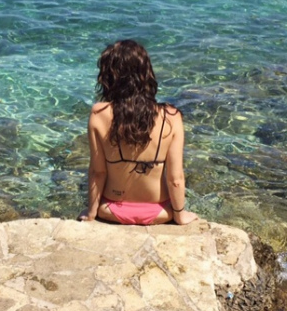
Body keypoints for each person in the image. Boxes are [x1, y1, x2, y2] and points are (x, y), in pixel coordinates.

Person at [79, 40, 199, 226]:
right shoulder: (171, 116)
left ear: (108, 77)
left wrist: (91, 213)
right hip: (160, 212)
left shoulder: (99, 114)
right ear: (146, 74)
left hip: (111, 210)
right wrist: (179, 214)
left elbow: (98, 172)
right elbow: (175, 178)